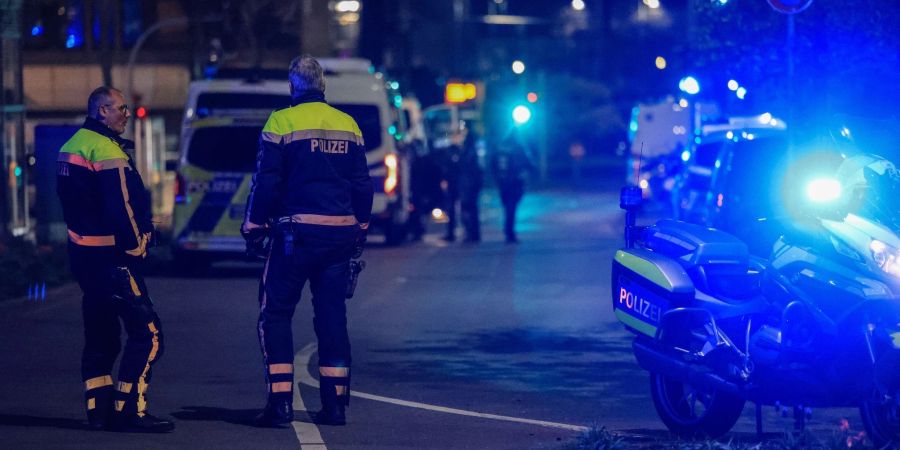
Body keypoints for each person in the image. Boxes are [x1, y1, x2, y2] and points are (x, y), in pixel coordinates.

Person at [242, 55, 373, 428]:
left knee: (276, 314)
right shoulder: (348, 125)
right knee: (332, 317)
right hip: (339, 236)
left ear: (291, 86)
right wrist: (360, 228)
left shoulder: (281, 121)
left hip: (294, 236)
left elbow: (265, 181)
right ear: (323, 86)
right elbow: (362, 184)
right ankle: (335, 406)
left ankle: (280, 403)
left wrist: (253, 226)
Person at [56, 86, 173, 432]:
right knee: (149, 335)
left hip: (83, 257)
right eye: (120, 108)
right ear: (101, 111)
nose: (125, 114)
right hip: (113, 258)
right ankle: (129, 410)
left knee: (101, 335)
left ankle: (99, 410)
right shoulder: (107, 151)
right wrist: (138, 247)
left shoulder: (71, 146)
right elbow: (120, 209)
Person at [490, 129, 535, 243]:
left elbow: (492, 164)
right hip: (514, 183)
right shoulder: (518, 148)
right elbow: (528, 164)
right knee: (511, 208)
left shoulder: (500, 148)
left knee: (507, 207)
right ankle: (509, 231)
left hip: (503, 183)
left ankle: (508, 229)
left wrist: (497, 179)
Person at [458, 122, 483, 242]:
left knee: (468, 208)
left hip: (469, 184)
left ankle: (471, 233)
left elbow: (467, 167)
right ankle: (473, 233)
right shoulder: (475, 147)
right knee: (471, 209)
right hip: (471, 183)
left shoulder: (469, 150)